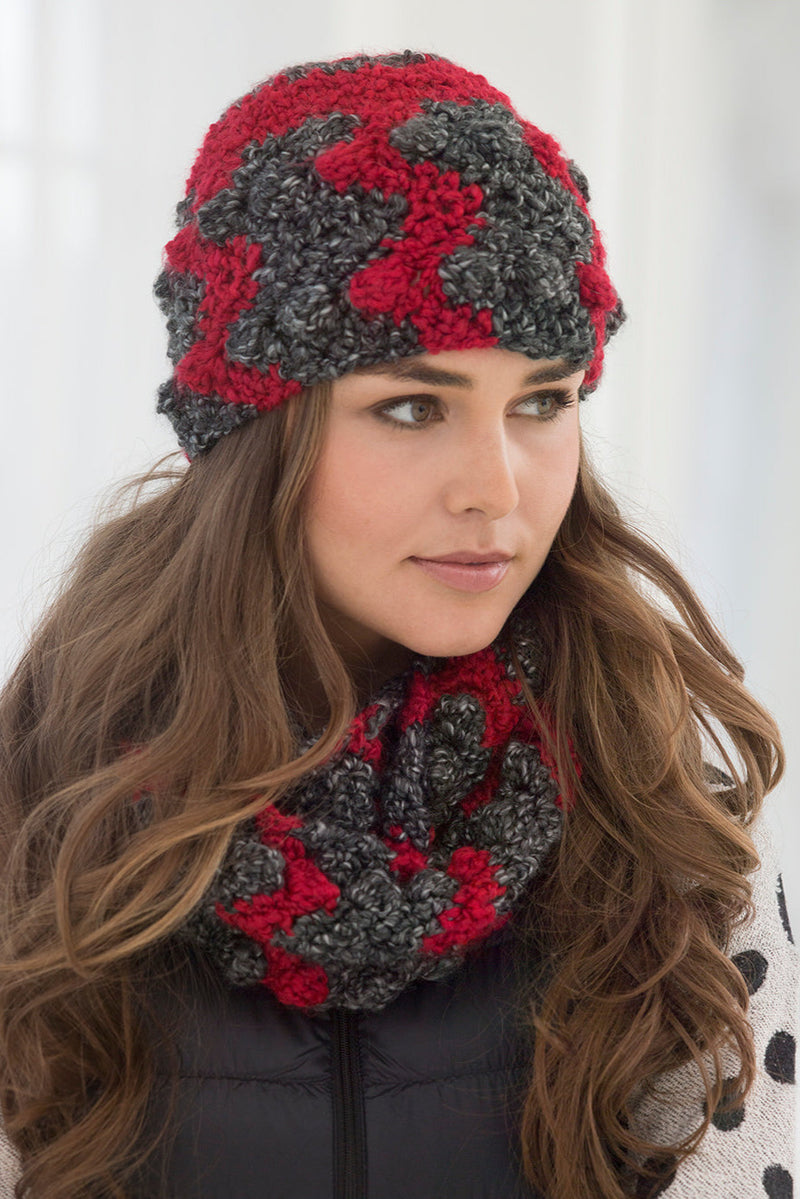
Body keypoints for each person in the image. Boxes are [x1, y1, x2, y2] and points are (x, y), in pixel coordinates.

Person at [0, 49, 796, 1199]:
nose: (496, 487)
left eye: (541, 400)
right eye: (414, 405)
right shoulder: (40, 814)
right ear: (251, 433)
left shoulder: (668, 827)